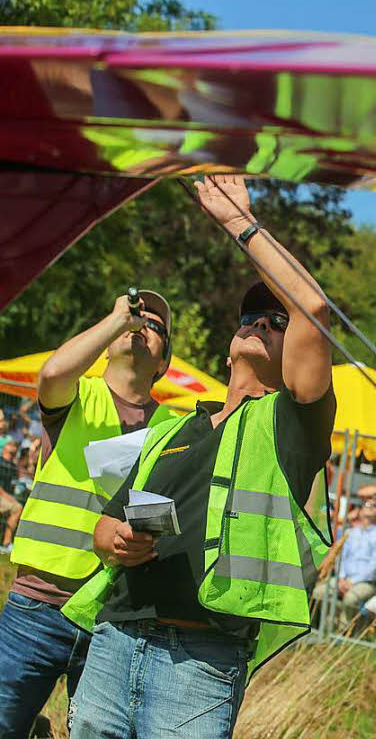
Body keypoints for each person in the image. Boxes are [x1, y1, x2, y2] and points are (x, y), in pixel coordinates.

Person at [61, 175, 334, 739]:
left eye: (275, 323)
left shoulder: (289, 423)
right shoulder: (173, 427)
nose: (260, 322)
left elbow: (312, 307)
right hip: (115, 638)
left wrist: (240, 222)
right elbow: (109, 523)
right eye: (251, 318)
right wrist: (113, 538)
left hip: (202, 661)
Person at [0, 289, 174, 738]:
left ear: (163, 365)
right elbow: (54, 371)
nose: (141, 327)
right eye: (136, 319)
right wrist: (117, 319)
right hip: (37, 605)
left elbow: (162, 514)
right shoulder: (78, 395)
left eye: (155, 327)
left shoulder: (175, 427)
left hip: (112, 620)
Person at [336, 495, 376, 626]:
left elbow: (375, 565)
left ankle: (344, 633)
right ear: (360, 510)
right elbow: (341, 557)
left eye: (375, 505)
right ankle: (329, 627)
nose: (370, 507)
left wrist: (352, 582)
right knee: (320, 593)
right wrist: (341, 578)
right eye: (367, 504)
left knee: (350, 599)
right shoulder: (350, 532)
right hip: (344, 579)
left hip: (367, 582)